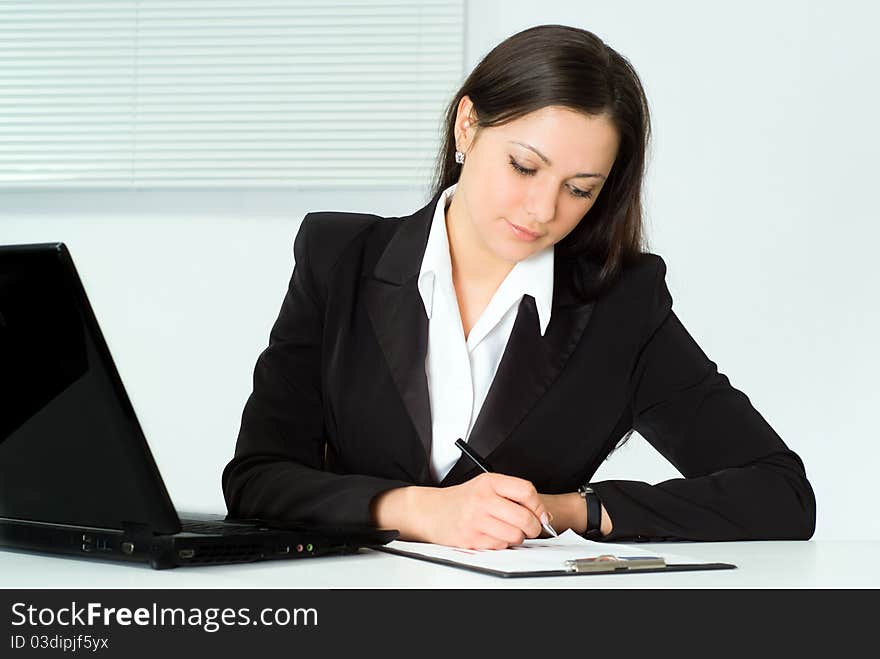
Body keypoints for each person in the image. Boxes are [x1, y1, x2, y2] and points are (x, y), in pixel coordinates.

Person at [222, 24, 816, 550]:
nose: (542, 209)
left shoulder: (622, 305)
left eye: (579, 189)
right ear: (468, 125)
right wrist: (418, 510)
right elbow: (257, 481)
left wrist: (570, 510)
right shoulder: (338, 258)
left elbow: (780, 492)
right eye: (525, 167)